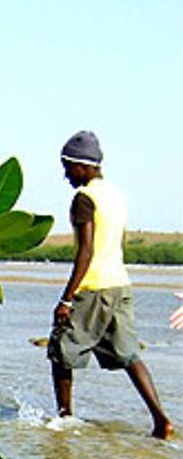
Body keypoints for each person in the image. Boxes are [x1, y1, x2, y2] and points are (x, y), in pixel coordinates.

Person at [47, 130, 173, 438]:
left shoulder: (84, 199)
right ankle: (161, 420)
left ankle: (64, 418)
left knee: (60, 352)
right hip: (121, 285)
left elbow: (86, 251)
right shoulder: (116, 194)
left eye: (68, 167)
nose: (66, 175)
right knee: (130, 355)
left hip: (94, 288)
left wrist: (66, 300)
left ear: (84, 165)